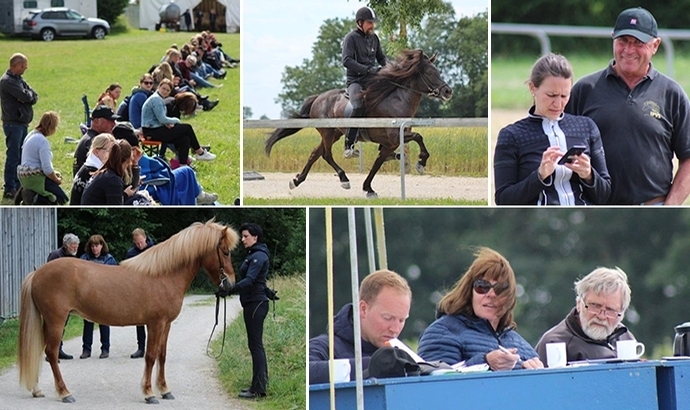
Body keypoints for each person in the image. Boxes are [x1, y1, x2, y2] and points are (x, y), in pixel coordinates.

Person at [566, 7, 690, 205]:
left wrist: (670, 206)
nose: (629, 50)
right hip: (595, 211)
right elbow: (561, 147)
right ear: (613, 38)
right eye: (623, 41)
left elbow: (688, 158)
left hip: (653, 210)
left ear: (655, 45)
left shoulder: (672, 93)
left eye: (638, 43)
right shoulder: (585, 89)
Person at [494, 53, 611, 205]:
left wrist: (589, 175)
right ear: (532, 88)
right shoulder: (511, 136)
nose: (558, 104)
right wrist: (539, 176)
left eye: (564, 96)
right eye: (551, 95)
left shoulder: (587, 127)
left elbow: (605, 195)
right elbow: (503, 200)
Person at [418, 248, 543, 370]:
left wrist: (537, 375)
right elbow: (437, 385)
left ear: (509, 297)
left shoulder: (523, 345)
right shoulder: (442, 332)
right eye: (482, 286)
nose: (491, 294)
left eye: (500, 289)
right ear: (469, 291)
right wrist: (486, 363)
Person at [308, 269, 411, 384]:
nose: (395, 329)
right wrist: (371, 366)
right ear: (363, 309)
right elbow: (306, 372)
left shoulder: (403, 354)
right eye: (387, 318)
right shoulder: (324, 347)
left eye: (402, 320)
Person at [535, 267, 637, 365]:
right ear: (579, 304)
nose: (601, 316)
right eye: (595, 306)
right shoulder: (554, 343)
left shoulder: (625, 337)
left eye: (610, 310)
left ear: (621, 314)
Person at [215, 223, 271, 398]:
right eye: (243, 236)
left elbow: (250, 280)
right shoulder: (254, 254)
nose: (243, 239)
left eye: (246, 236)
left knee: (255, 346)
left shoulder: (258, 256)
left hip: (255, 304)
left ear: (255, 237)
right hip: (253, 302)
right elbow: (259, 280)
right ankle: (260, 383)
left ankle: (259, 389)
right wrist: (268, 292)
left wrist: (229, 290)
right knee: (255, 345)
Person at [341, 6, 387, 158]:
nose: (372, 26)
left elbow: (381, 59)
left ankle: (386, 147)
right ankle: (349, 145)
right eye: (369, 22)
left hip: (372, 80)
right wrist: (367, 69)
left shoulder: (374, 38)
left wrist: (392, 68)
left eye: (373, 23)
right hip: (356, 81)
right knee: (359, 106)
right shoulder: (351, 38)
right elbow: (346, 60)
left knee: (389, 100)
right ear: (360, 23)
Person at [141, 78, 216, 166]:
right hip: (151, 131)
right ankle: (200, 152)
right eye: (163, 88)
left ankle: (183, 165)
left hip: (155, 129)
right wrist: (176, 121)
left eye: (167, 90)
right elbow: (162, 119)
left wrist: (168, 123)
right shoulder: (156, 99)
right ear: (158, 87)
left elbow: (160, 118)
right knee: (187, 128)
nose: (165, 91)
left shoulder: (158, 99)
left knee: (185, 138)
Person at [1, 53, 38, 199]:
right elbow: (25, 96)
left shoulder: (18, 79)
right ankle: (10, 187)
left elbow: (33, 95)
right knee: (13, 156)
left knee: (21, 155)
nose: (26, 69)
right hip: (13, 124)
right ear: (17, 66)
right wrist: (26, 96)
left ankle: (17, 185)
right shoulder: (7, 81)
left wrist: (27, 96)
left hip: (21, 123)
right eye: (24, 66)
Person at [17, 111, 68, 204]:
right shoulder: (42, 141)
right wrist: (57, 180)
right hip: (35, 178)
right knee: (62, 199)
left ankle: (32, 195)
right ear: (51, 127)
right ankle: (35, 199)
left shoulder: (31, 135)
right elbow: (47, 169)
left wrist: (54, 173)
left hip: (24, 176)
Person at [79, 234, 117, 359]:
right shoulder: (84, 259)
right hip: (88, 295)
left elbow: (115, 279)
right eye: (93, 246)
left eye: (97, 245)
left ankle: (105, 348)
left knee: (104, 322)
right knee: (88, 322)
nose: (95, 248)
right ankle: (86, 349)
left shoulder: (109, 259)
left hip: (104, 295)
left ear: (102, 246)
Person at [46, 233, 80, 360]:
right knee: (54, 324)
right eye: (73, 245)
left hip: (67, 296)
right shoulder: (55, 255)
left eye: (77, 245)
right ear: (66, 245)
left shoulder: (73, 256)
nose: (75, 247)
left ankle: (58, 349)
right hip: (55, 296)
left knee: (62, 324)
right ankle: (52, 350)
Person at [124, 228, 155, 359]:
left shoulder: (154, 251)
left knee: (154, 321)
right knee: (140, 320)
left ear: (145, 238)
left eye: (141, 242)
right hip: (137, 289)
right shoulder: (131, 253)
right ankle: (141, 348)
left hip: (153, 289)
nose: (139, 245)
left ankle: (153, 348)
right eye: (137, 243)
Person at [81, 139, 135, 205]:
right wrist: (125, 195)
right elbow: (115, 211)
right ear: (129, 160)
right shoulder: (113, 180)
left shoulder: (103, 173)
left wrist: (124, 195)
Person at [73, 105, 119, 176]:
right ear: (97, 121)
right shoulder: (94, 141)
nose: (114, 124)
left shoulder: (89, 137)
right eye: (110, 121)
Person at [70, 133, 116, 205]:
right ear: (96, 151)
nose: (112, 154)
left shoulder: (87, 167)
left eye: (114, 151)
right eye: (108, 150)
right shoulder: (94, 172)